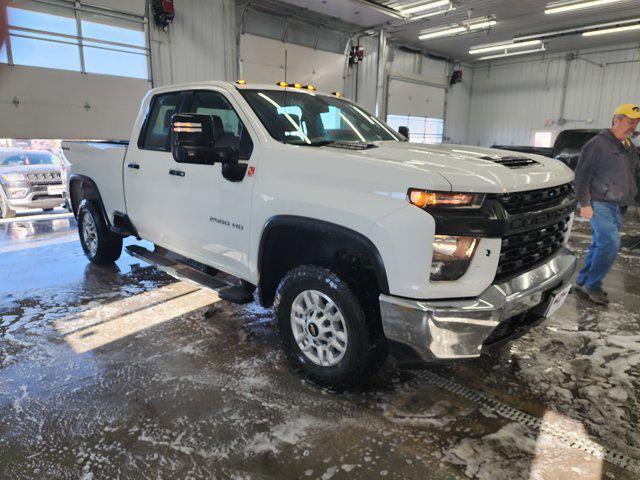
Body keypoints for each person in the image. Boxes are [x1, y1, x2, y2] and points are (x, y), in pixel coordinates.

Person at [574, 104, 640, 304]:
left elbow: (634, 175)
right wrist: (584, 203)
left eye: (636, 122)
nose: (633, 126)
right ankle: (593, 286)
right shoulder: (597, 144)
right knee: (610, 243)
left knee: (599, 244)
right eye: (630, 122)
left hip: (618, 205)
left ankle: (582, 281)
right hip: (599, 202)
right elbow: (582, 175)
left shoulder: (630, 147)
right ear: (617, 120)